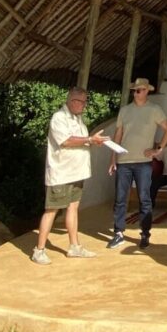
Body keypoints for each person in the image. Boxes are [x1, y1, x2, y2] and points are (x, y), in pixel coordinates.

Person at [32, 87, 107, 264]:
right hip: (61, 173)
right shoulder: (59, 118)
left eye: (85, 102)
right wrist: (89, 140)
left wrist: (91, 141)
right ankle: (39, 250)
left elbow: (80, 141)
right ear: (73, 101)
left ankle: (74, 246)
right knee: (52, 210)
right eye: (82, 102)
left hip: (76, 172)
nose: (84, 105)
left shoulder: (78, 120)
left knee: (73, 208)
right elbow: (66, 141)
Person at [108, 78, 167, 251]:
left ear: (147, 91)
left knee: (145, 199)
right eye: (134, 90)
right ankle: (119, 233)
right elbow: (118, 135)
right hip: (124, 161)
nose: (136, 93)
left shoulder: (154, 110)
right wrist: (113, 158)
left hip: (143, 162)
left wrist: (158, 149)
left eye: (139, 90)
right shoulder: (125, 110)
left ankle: (145, 234)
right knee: (120, 198)